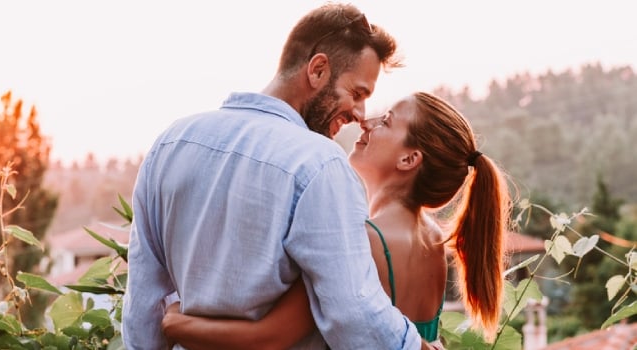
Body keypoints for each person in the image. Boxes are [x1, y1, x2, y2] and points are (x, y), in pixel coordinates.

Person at [123, 3, 436, 349]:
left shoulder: (171, 143)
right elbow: (353, 314)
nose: (360, 115)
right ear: (318, 70)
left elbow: (143, 308)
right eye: (357, 93)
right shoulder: (319, 165)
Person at [160, 91, 513, 348]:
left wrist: (176, 322)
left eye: (386, 121)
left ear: (409, 160)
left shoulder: (363, 240)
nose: (366, 122)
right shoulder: (432, 240)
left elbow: (267, 339)